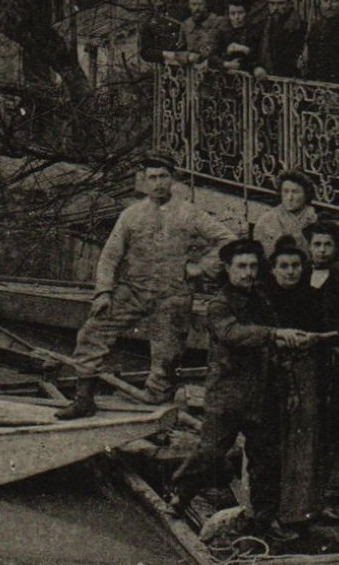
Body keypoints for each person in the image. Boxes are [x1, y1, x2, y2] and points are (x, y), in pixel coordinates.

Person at [57, 153, 235, 419]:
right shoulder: (131, 215)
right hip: (133, 290)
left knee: (166, 355)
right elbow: (109, 256)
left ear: (172, 179)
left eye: (163, 176)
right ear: (144, 181)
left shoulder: (189, 213)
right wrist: (104, 292)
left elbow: (228, 242)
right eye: (152, 177)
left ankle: (159, 407)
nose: (158, 183)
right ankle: (83, 399)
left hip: (173, 294)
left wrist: (199, 267)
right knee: (92, 332)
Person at [166, 240, 312, 539]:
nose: (248, 273)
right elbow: (232, 334)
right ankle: (179, 495)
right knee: (211, 451)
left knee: (266, 460)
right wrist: (274, 334)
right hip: (228, 394)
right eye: (242, 266)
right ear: (228, 269)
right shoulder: (218, 304)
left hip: (264, 393)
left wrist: (291, 379)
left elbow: (275, 347)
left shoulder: (262, 299)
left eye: (253, 266)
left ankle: (263, 518)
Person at [263, 242, 339, 530]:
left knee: (304, 437)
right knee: (271, 438)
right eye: (284, 266)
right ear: (273, 269)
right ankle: (268, 507)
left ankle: (299, 509)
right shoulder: (264, 298)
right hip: (271, 372)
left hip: (307, 371)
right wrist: (276, 339)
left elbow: (334, 330)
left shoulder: (313, 297)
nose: (291, 271)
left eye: (296, 266)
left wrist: (314, 339)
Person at [303, 219, 339, 518]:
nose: (321, 250)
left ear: (336, 248)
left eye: (327, 245)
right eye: (317, 244)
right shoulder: (298, 275)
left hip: (338, 362)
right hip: (308, 362)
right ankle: (310, 490)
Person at [252, 171, 319, 258]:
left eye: (295, 192)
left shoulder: (315, 218)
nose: (289, 197)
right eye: (285, 192)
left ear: (306, 194)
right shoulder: (266, 220)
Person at [256, 0, 306, 79]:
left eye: (280, 3)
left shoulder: (300, 27)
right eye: (272, 4)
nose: (275, 8)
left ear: (290, 4)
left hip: (291, 80)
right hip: (267, 78)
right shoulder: (263, 27)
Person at [137, 0, 185, 67]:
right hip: (166, 70)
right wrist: (167, 54)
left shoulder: (183, 13)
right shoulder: (148, 21)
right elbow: (145, 51)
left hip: (191, 67)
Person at [179, 0, 230, 66]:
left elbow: (227, 47)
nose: (197, 8)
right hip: (192, 71)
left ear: (207, 5)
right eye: (193, 4)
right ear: (189, 6)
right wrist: (188, 57)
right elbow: (180, 51)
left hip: (215, 69)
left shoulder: (219, 22)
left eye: (200, 4)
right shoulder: (186, 24)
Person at [219, 0, 262, 74]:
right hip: (225, 78)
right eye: (232, 13)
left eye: (240, 13)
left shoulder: (254, 31)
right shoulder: (222, 32)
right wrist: (226, 64)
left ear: (247, 13)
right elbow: (212, 56)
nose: (237, 17)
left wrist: (246, 50)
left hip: (248, 79)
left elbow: (260, 56)